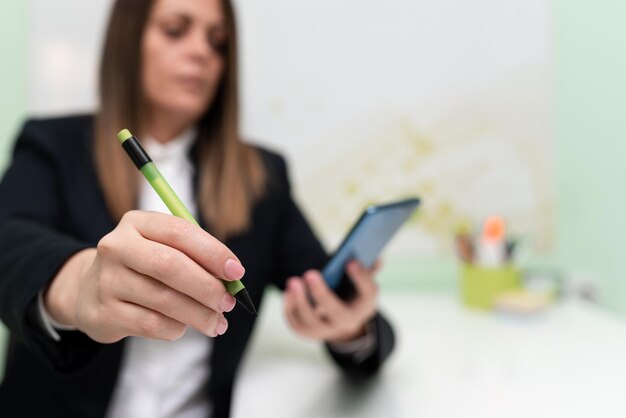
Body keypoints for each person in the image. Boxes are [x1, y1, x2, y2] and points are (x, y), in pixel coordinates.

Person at [0, 0, 395, 416]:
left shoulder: (261, 176)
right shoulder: (53, 145)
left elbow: (322, 286)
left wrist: (350, 325)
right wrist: (81, 285)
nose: (201, 52)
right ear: (129, 41)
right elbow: (9, 245)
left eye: (218, 41)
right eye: (175, 30)